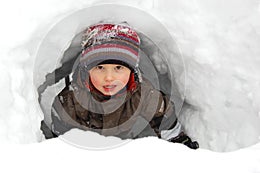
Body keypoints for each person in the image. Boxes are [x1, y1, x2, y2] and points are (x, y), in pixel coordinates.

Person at [40, 22, 199, 149]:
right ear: (86, 70)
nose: (109, 78)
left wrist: (178, 142)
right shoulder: (70, 101)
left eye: (118, 68)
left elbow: (164, 117)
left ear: (131, 71)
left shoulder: (143, 94)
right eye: (100, 68)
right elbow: (60, 141)